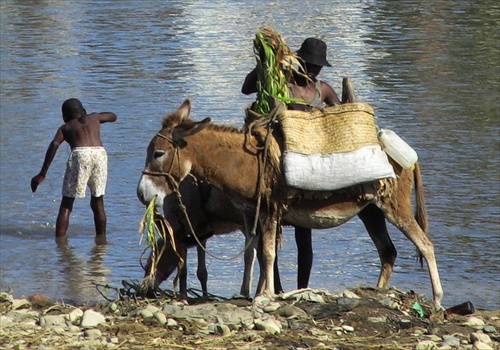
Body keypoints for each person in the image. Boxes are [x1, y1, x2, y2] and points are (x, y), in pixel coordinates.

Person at [242, 37, 340, 290]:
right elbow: (246, 88)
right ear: (297, 61)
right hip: (281, 163)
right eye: (307, 64)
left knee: (303, 234)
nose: (311, 70)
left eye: (316, 67)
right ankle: (275, 287)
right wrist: (267, 64)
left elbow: (340, 116)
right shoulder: (281, 84)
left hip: (308, 166)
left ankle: (302, 289)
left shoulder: (323, 90)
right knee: (271, 229)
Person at [31, 98, 117, 240]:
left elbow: (54, 144)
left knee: (67, 203)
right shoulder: (94, 117)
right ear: (84, 111)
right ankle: (101, 241)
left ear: (64, 118)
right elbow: (113, 116)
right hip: (100, 154)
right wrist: (95, 115)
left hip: (80, 154)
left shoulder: (65, 127)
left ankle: (59, 242)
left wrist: (42, 173)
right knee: (98, 201)